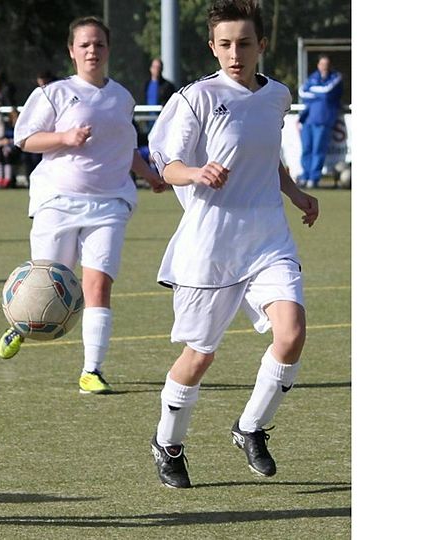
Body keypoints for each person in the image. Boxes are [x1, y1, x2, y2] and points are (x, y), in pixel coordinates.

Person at [145, 0, 320, 489]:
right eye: (225, 44)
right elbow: (166, 164)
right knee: (199, 356)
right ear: (212, 47)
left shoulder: (277, 96)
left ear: (262, 45)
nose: (235, 53)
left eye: (244, 43)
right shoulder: (196, 98)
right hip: (211, 246)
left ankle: (251, 428)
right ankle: (168, 443)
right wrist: (196, 172)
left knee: (291, 332)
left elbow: (266, 159)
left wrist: (295, 192)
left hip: (268, 239)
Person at [0, 16, 167, 397]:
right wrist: (65, 137)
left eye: (99, 44)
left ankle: (92, 370)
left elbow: (124, 148)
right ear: (72, 51)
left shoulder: (122, 97)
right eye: (85, 45)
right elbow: (24, 138)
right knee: (48, 282)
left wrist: (150, 174)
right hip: (57, 201)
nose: (92, 51)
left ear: (108, 50)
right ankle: (21, 322)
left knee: (97, 284)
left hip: (109, 204)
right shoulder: (54, 94)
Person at [297, 54, 343, 188]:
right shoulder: (313, 77)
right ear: (318, 65)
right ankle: (305, 176)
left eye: (326, 64)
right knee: (306, 149)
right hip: (308, 119)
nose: (324, 67)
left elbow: (327, 92)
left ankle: (314, 178)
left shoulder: (336, 77)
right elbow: (302, 92)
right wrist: (319, 95)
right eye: (322, 64)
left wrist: (313, 92)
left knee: (318, 150)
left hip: (323, 119)